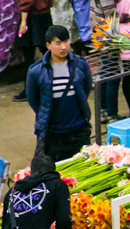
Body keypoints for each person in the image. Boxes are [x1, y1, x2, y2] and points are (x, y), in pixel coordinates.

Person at [26, 25, 93, 159]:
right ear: (48, 45)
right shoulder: (36, 71)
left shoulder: (81, 64)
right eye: (58, 43)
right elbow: (33, 99)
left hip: (79, 130)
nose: (64, 47)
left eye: (66, 41)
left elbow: (85, 90)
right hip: (53, 134)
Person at [13, 0, 56, 101]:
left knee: (29, 56)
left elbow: (27, 0)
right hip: (45, 17)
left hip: (31, 18)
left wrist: (23, 22)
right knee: (49, 53)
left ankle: (29, 91)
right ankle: (57, 83)